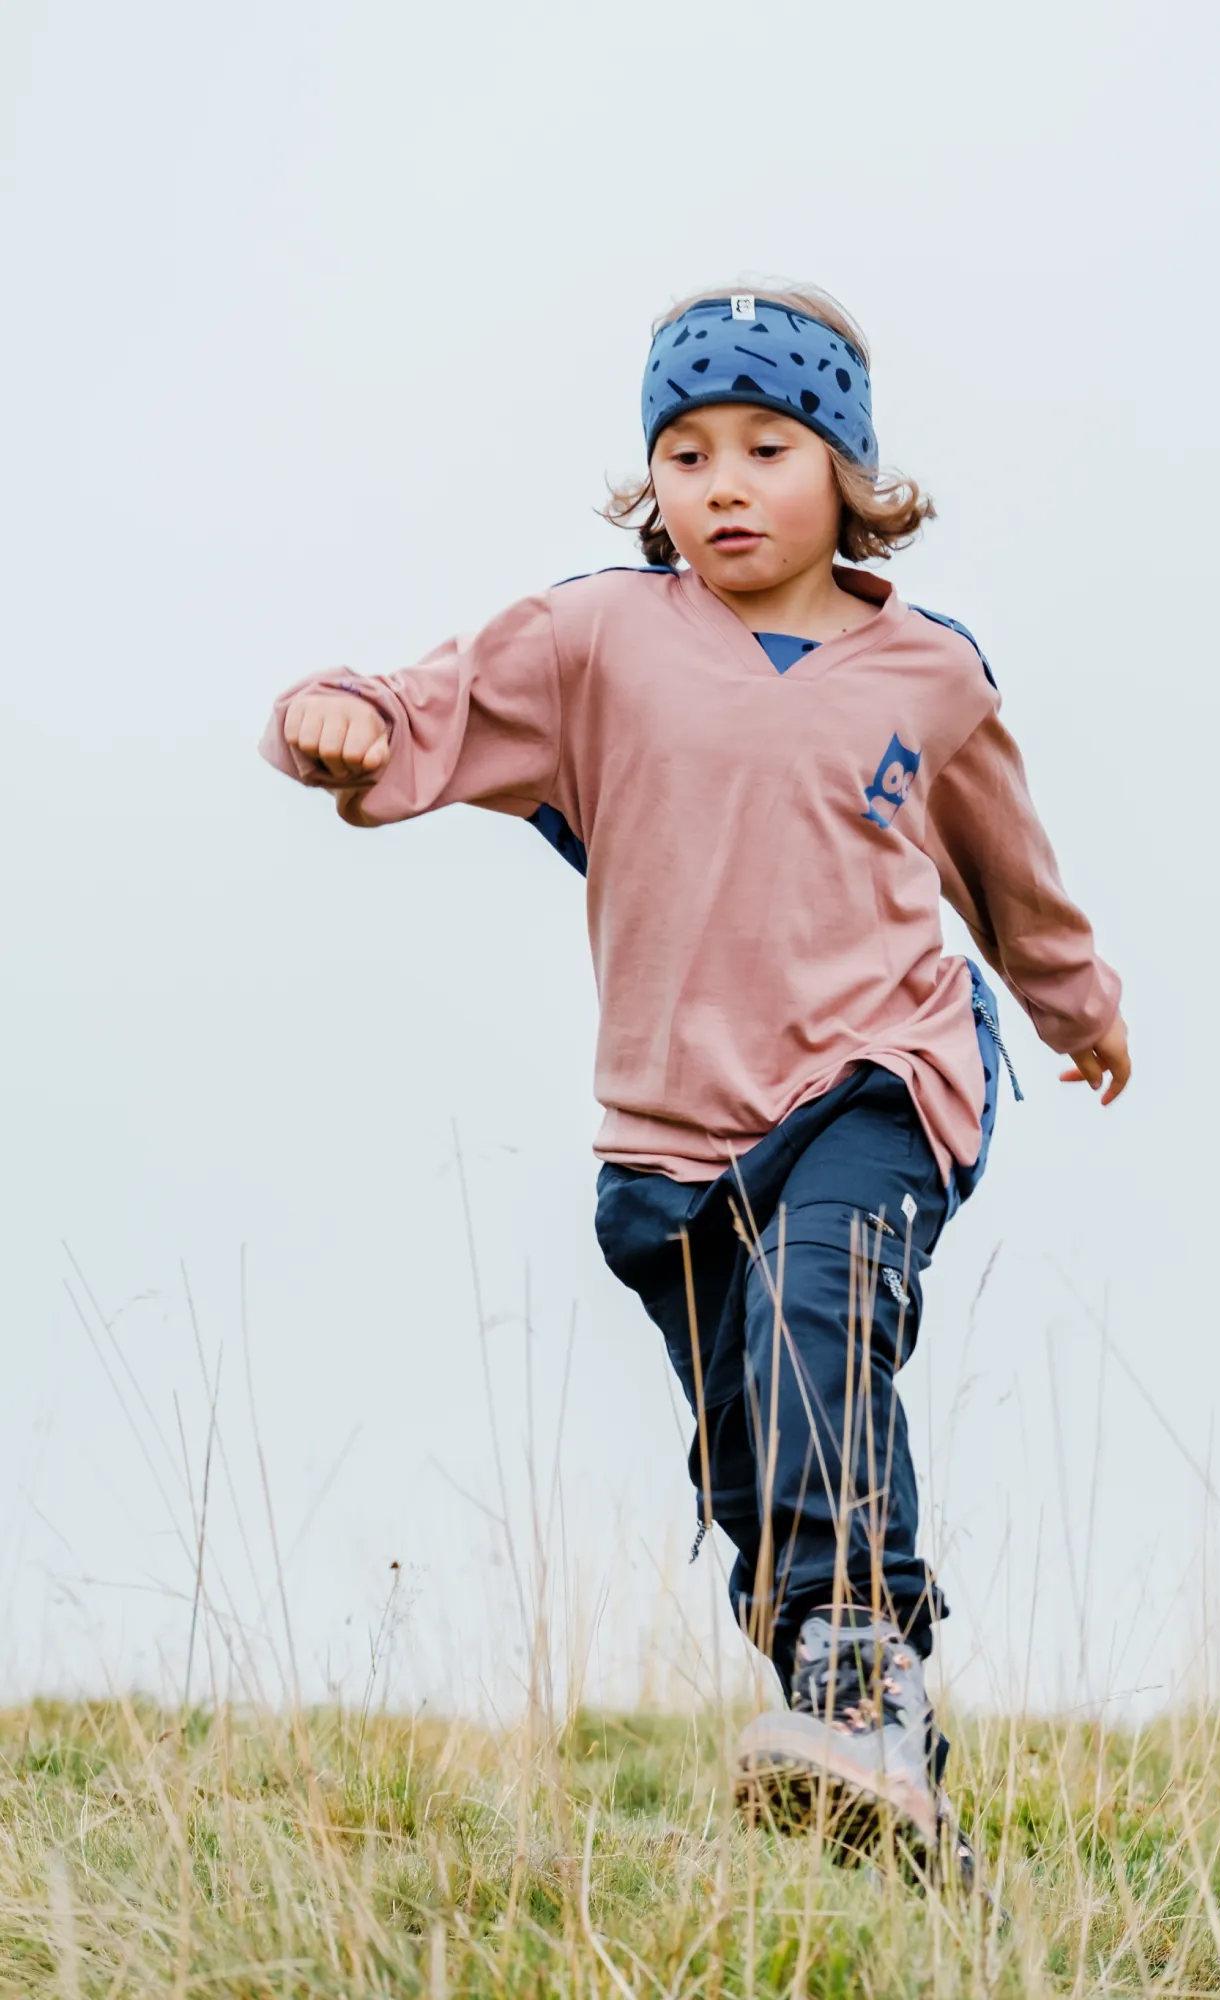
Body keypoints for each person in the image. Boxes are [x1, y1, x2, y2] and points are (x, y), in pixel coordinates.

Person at [260, 283, 1130, 1878]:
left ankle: (858, 1664)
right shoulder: (599, 640)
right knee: (751, 1462)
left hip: (884, 1074)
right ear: (649, 483)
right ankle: (883, 1749)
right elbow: (425, 708)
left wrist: (1078, 1008)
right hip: (671, 1140)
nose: (722, 483)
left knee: (825, 1316)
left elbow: (1010, 875)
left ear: (849, 475)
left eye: (766, 448)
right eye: (685, 451)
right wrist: (343, 726)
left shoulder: (929, 675)